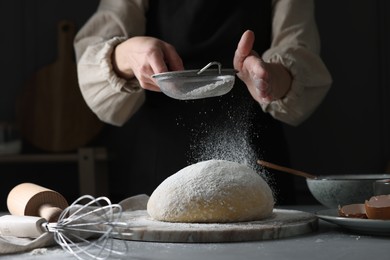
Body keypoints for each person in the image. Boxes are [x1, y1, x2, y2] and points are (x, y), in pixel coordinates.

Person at [74, 0, 332, 205]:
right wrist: (128, 52)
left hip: (255, 157)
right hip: (162, 159)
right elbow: (94, 54)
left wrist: (270, 78)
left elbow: (299, 52)